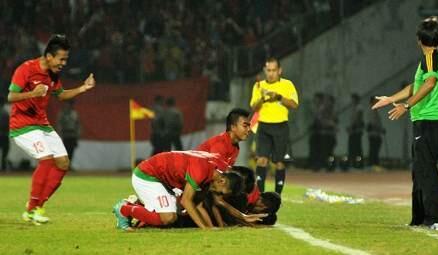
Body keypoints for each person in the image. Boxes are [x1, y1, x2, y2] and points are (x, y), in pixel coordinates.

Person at [7, 34, 95, 224]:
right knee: (46, 160)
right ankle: (31, 210)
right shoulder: (26, 69)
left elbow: (61, 95)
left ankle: (38, 207)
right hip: (22, 126)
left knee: (63, 163)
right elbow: (11, 96)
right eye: (61, 59)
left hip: (42, 125)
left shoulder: (52, 75)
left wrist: (82, 88)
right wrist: (32, 93)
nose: (63, 63)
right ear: (49, 56)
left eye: (66, 59)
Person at [372, 16, 438, 226]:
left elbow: (430, 83)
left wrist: (406, 106)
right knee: (420, 171)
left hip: (429, 121)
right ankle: (420, 218)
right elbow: (415, 87)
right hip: (428, 122)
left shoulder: (430, 57)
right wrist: (391, 98)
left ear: (419, 40)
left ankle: (435, 218)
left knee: (427, 171)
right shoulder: (437, 56)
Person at [112, 150, 244, 230]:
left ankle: (139, 206)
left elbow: (198, 203)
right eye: (221, 192)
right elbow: (187, 201)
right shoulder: (201, 170)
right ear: (222, 181)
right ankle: (124, 208)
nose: (218, 194)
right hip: (147, 176)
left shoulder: (216, 166)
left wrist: (211, 227)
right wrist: (205, 229)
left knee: (179, 213)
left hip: (163, 181)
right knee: (168, 218)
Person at [249, 57, 299, 194]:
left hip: (281, 127)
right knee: (261, 160)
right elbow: (254, 107)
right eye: (268, 70)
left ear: (279, 70)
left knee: (279, 163)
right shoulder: (259, 86)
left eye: (274, 70)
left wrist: (278, 97)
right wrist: (263, 98)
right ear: (265, 70)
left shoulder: (287, 84)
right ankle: (259, 196)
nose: (271, 73)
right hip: (264, 126)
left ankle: (277, 195)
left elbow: (294, 104)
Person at [56, 100, 80, 166]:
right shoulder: (62, 113)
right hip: (65, 134)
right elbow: (59, 124)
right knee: (65, 151)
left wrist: (77, 135)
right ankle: (65, 165)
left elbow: (77, 125)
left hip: (72, 135)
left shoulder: (74, 113)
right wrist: (59, 134)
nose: (68, 106)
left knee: (71, 151)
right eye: (67, 104)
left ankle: (69, 165)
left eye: (69, 104)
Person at [367, 96, 385, 171]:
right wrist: (380, 129)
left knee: (375, 149)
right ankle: (373, 165)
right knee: (374, 149)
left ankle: (374, 164)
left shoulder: (375, 111)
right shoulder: (372, 111)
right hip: (374, 134)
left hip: (376, 134)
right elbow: (372, 124)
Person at [347, 93, 364, 169]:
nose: (352, 101)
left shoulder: (359, 107)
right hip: (353, 130)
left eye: (353, 100)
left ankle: (359, 164)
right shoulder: (353, 108)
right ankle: (353, 163)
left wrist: (353, 126)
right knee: (351, 147)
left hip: (356, 130)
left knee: (357, 148)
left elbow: (358, 118)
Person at [0, 97, 9, 171]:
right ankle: (3, 168)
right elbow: (8, 125)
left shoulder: (5, 113)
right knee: (4, 153)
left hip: (3, 134)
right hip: (4, 135)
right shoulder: (5, 113)